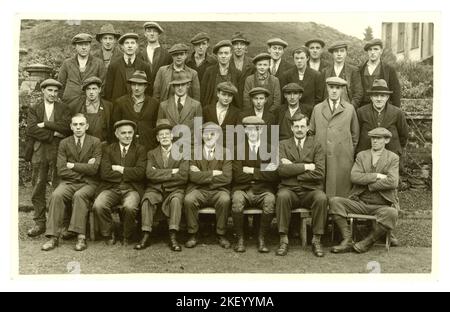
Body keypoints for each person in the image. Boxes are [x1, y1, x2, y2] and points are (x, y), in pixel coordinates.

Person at [329, 127, 399, 253]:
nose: (375, 141)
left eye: (378, 138)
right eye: (373, 138)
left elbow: (393, 182)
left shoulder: (392, 158)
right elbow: (354, 177)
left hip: (381, 205)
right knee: (335, 202)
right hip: (360, 202)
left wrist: (369, 185)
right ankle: (347, 239)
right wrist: (376, 176)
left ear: (386, 140)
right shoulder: (362, 155)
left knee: (392, 213)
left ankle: (367, 242)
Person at [41, 114, 102, 251]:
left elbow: (94, 169)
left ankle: (81, 237)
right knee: (56, 195)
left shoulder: (95, 142)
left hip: (89, 183)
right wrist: (84, 168)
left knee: (79, 196)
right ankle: (53, 237)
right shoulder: (64, 143)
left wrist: (72, 165)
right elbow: (61, 170)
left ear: (87, 126)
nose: (78, 127)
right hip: (68, 182)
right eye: (75, 125)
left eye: (81, 124)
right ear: (71, 126)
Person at [276, 112, 328, 257]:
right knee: (282, 196)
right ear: (291, 128)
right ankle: (283, 239)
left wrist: (292, 168)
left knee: (321, 198)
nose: (299, 129)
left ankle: (317, 240)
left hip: (310, 191)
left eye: (302, 126)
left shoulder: (316, 145)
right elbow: (280, 170)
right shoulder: (283, 145)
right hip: (289, 190)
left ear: (307, 128)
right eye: (296, 126)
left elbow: (319, 172)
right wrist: (306, 166)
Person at [25, 79, 72, 237]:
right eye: (50, 90)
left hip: (58, 152)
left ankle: (60, 223)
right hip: (39, 152)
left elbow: (66, 128)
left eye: (55, 91)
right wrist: (53, 135)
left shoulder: (64, 108)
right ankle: (40, 222)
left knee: (58, 187)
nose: (53, 94)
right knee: (38, 186)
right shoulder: (34, 108)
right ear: (43, 91)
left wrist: (45, 124)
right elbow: (31, 130)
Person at [135, 119, 189, 251]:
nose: (164, 137)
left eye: (167, 134)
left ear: (172, 136)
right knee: (147, 199)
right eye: (161, 135)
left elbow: (183, 176)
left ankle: (173, 235)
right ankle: (146, 234)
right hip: (155, 189)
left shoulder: (182, 152)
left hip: (175, 189)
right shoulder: (152, 153)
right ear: (157, 139)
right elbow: (149, 174)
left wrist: (159, 173)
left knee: (176, 200)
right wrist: (172, 172)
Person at [92, 120, 147, 246]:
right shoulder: (108, 149)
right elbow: (105, 173)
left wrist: (120, 169)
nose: (127, 136)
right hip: (111, 187)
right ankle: (108, 233)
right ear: (117, 135)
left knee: (130, 207)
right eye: (123, 133)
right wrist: (129, 173)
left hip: (132, 188)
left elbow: (140, 173)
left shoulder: (140, 149)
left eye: (130, 132)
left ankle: (126, 234)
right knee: (98, 205)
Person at [231, 116, 278, 253]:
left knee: (270, 200)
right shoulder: (237, 149)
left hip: (263, 190)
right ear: (245, 131)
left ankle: (261, 238)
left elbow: (274, 175)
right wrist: (263, 171)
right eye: (249, 129)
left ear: (261, 131)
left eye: (256, 129)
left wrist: (251, 170)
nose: (253, 133)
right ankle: (240, 239)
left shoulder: (269, 149)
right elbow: (238, 176)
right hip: (243, 189)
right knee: (237, 200)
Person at [183, 122, 232, 249]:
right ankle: (193, 233)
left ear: (218, 136)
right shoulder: (194, 152)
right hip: (198, 190)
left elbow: (227, 177)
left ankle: (221, 233)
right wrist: (213, 173)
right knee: (189, 199)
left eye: (212, 134)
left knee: (225, 199)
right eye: (206, 134)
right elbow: (192, 176)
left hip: (219, 190)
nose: (209, 137)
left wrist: (202, 175)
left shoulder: (226, 152)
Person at [310, 77, 360, 197]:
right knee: (320, 193)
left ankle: (338, 214)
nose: (334, 91)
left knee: (340, 192)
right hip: (321, 157)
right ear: (327, 88)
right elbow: (311, 132)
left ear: (342, 90)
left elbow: (355, 134)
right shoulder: (317, 109)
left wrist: (348, 151)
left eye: (337, 88)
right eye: (331, 87)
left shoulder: (349, 109)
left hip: (342, 158)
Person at [356, 79, 408, 156]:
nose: (379, 99)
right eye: (376, 95)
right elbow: (356, 135)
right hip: (367, 156)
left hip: (391, 155)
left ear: (387, 97)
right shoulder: (361, 112)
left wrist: (396, 150)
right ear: (371, 97)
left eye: (382, 96)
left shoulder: (397, 112)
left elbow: (404, 135)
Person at [58, 33, 106, 112]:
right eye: (80, 45)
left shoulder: (98, 63)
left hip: (90, 104)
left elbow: (103, 84)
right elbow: (60, 85)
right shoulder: (67, 63)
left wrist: (94, 100)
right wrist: (66, 98)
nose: (84, 47)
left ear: (90, 46)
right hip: (69, 104)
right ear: (75, 46)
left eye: (86, 44)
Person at [112, 70, 159, 151]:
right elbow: (114, 126)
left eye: (140, 85)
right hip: (127, 146)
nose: (136, 88)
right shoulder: (120, 102)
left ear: (145, 86)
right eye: (134, 84)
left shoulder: (154, 103)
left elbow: (155, 126)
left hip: (148, 146)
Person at [104, 33, 152, 102]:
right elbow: (108, 91)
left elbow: (149, 90)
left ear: (137, 46)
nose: (130, 46)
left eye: (132, 43)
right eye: (127, 43)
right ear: (122, 47)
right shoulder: (113, 66)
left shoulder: (145, 66)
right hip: (118, 107)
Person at [279, 46, 323, 118]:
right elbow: (283, 98)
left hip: (310, 113)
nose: (299, 61)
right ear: (293, 59)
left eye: (302, 58)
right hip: (291, 113)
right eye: (296, 58)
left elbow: (319, 98)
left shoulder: (316, 75)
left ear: (307, 58)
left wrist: (313, 112)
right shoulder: (286, 75)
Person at [359, 38, 401, 107]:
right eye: (370, 49)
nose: (372, 52)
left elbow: (396, 93)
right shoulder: (360, 70)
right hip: (363, 109)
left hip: (383, 108)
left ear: (381, 51)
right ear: (367, 52)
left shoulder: (389, 70)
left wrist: (395, 112)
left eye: (376, 49)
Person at [71, 76, 113, 143]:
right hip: (82, 145)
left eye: (94, 89)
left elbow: (111, 129)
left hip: (102, 145)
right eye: (88, 89)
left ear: (99, 90)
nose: (91, 92)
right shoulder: (77, 106)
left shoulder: (108, 106)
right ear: (85, 91)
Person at [322, 41, 363, 107]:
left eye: (342, 51)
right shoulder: (325, 71)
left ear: (346, 53)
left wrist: (350, 108)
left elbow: (358, 93)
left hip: (347, 108)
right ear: (332, 54)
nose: (339, 54)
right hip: (329, 109)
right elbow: (321, 94)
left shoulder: (353, 70)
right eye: (336, 51)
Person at [201, 40, 240, 107]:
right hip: (211, 109)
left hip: (230, 111)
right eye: (220, 53)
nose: (223, 56)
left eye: (226, 53)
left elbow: (239, 97)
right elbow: (203, 93)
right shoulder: (209, 71)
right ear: (217, 55)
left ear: (231, 54)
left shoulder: (237, 73)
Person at [242, 53, 281, 117]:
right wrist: (253, 114)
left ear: (269, 65)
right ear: (255, 66)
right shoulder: (249, 79)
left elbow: (277, 101)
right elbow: (246, 99)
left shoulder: (275, 80)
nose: (262, 67)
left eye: (265, 65)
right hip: (252, 115)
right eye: (259, 65)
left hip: (270, 115)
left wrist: (267, 114)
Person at [138, 21, 172, 95]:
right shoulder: (139, 55)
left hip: (162, 93)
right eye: (149, 31)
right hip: (144, 94)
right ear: (145, 34)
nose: (152, 34)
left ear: (159, 34)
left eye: (155, 31)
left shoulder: (167, 55)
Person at [203, 81, 240, 146]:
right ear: (218, 94)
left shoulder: (237, 113)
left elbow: (237, 135)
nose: (226, 98)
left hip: (228, 150)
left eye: (230, 96)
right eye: (224, 94)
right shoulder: (207, 110)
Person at [230, 32, 255, 102]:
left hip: (247, 101)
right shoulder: (226, 63)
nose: (239, 47)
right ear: (232, 46)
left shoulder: (252, 64)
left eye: (242, 44)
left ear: (246, 47)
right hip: (229, 101)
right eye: (236, 44)